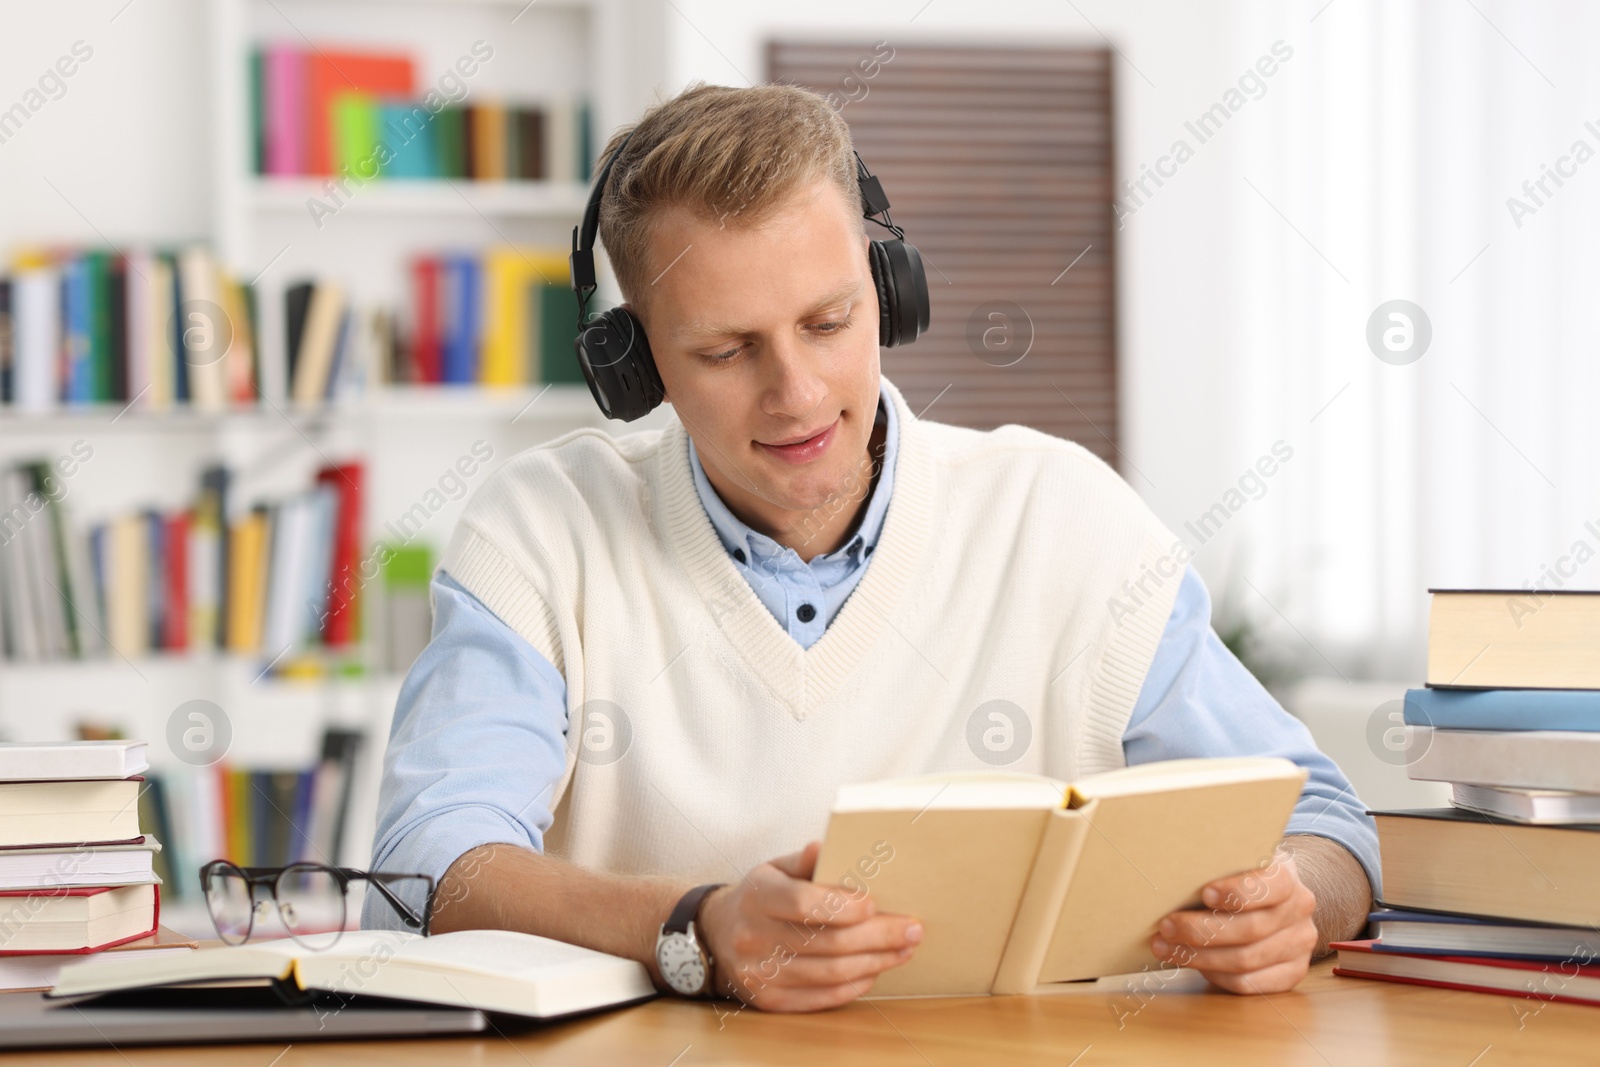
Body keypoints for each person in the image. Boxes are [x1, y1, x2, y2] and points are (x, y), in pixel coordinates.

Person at [363, 81, 1378, 1012]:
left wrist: (1296, 895)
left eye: (828, 320)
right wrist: (694, 926)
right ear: (636, 368)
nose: (795, 392)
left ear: (889, 290)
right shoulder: (543, 531)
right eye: (724, 350)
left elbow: (1329, 822)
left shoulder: (1064, 517)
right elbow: (429, 867)